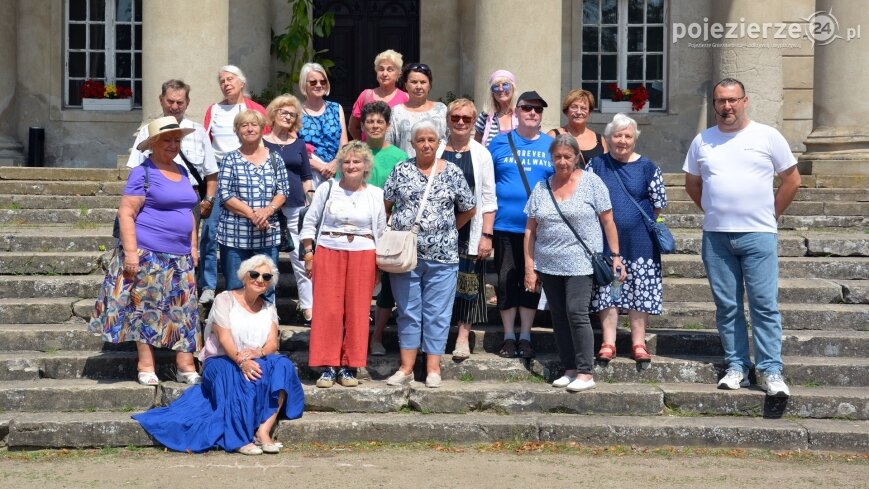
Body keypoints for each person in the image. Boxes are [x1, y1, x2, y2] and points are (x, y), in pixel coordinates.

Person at [683, 78, 800, 397]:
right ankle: (737, 366)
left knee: (763, 304)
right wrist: (712, 209)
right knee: (728, 305)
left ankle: (771, 370)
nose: (727, 107)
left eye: (732, 100)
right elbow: (692, 184)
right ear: (714, 104)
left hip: (758, 234)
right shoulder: (703, 141)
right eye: (721, 101)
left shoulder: (767, 136)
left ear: (745, 101)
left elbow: (791, 179)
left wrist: (771, 214)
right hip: (717, 238)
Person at [133, 255, 304, 455]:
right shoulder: (225, 299)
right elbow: (224, 338)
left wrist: (257, 352)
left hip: (257, 358)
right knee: (231, 375)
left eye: (266, 277)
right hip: (222, 358)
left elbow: (273, 343)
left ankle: (263, 431)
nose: (260, 280)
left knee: (282, 365)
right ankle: (238, 438)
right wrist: (242, 361)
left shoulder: (268, 307)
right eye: (255, 274)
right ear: (244, 276)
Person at [89, 116, 201, 386]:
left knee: (184, 310)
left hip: (181, 255)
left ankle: (186, 364)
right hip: (149, 251)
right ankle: (146, 364)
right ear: (152, 143)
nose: (173, 145)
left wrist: (194, 245)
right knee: (146, 309)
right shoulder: (143, 172)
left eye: (177, 140)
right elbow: (126, 213)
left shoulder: (183, 172)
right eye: (167, 140)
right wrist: (130, 253)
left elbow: (189, 211)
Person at [524, 134, 624, 392]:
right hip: (549, 264)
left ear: (577, 157)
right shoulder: (542, 187)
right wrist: (530, 267)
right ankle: (569, 368)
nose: (562, 161)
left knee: (576, 312)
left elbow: (608, 221)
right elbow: (530, 230)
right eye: (557, 156)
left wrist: (615, 256)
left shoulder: (592, 182)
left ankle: (585, 372)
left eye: (567, 156)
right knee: (558, 316)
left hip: (581, 263)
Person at [383, 120, 476, 388]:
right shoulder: (401, 169)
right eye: (420, 139)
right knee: (409, 312)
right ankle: (406, 367)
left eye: (431, 140)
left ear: (439, 143)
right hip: (405, 256)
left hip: (443, 256)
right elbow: (386, 205)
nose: (426, 144)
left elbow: (468, 208)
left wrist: (448, 230)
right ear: (412, 143)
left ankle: (433, 368)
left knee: (437, 313)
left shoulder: (453, 173)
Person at [300, 141, 387, 388]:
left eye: (357, 161)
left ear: (366, 166)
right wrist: (309, 254)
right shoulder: (327, 189)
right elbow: (309, 223)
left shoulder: (375, 194)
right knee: (328, 310)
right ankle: (328, 366)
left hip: (364, 254)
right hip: (329, 251)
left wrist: (379, 266)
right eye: (347, 161)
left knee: (358, 311)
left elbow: (380, 231)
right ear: (340, 165)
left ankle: (350, 366)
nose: (351, 166)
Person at [587, 113, 667, 364]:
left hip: (640, 241)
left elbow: (658, 204)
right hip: (605, 241)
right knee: (608, 291)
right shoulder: (597, 165)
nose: (622, 140)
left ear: (635, 139)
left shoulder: (648, 167)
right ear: (608, 138)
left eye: (627, 136)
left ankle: (638, 343)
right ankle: (608, 342)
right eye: (617, 135)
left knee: (640, 291)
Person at [487, 90, 555, 359]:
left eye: (538, 110)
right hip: (505, 225)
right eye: (527, 108)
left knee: (531, 282)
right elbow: (486, 183)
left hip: (540, 228)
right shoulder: (499, 143)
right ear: (516, 112)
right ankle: (507, 336)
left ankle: (525, 335)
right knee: (506, 280)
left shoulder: (551, 144)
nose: (533, 113)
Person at [200, 65, 269, 305]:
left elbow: (267, 141)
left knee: (248, 232)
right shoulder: (214, 110)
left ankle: (250, 285)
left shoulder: (255, 109)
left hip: (249, 177)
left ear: (242, 83)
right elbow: (207, 143)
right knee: (209, 232)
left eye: (230, 79)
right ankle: (208, 285)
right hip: (219, 177)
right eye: (222, 81)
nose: (226, 84)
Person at [437, 99, 497, 360]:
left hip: (470, 230)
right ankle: (436, 336)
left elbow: (489, 197)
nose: (460, 122)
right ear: (448, 120)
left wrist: (487, 235)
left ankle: (463, 336)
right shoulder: (436, 148)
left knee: (468, 282)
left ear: (474, 123)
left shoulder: (481, 153)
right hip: (436, 231)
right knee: (437, 284)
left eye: (467, 119)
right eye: (456, 118)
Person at [216, 110, 289, 301]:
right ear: (237, 131)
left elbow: (283, 191)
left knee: (267, 288)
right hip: (235, 236)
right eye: (244, 125)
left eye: (254, 124)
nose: (249, 129)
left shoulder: (275, 158)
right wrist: (253, 214)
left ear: (262, 128)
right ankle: (235, 330)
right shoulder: (230, 159)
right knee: (235, 287)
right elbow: (225, 194)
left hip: (267, 235)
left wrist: (267, 211)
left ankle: (266, 329)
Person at [127, 79, 218, 226]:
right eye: (170, 101)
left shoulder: (199, 132)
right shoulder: (146, 132)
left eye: (180, 102)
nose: (174, 107)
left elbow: (211, 171)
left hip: (190, 196)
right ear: (161, 100)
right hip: (155, 198)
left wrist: (208, 200)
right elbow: (135, 170)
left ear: (188, 102)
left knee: (187, 244)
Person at [360, 101, 409, 356]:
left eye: (380, 122)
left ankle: (376, 337)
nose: (375, 125)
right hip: (358, 228)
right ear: (363, 126)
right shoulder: (353, 152)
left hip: (390, 228)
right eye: (370, 121)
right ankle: (357, 337)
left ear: (387, 126)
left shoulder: (400, 157)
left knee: (388, 285)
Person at [262, 94, 314, 324]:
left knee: (301, 260)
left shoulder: (299, 143)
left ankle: (308, 306)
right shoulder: (261, 142)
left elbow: (306, 176)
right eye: (283, 112)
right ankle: (266, 307)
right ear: (273, 114)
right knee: (266, 259)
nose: (287, 116)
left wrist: (310, 200)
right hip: (267, 207)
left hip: (294, 205)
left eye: (292, 114)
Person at [298, 62, 348, 186]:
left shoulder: (336, 108)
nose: (319, 85)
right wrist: (321, 167)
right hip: (309, 174)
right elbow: (294, 148)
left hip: (336, 172)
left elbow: (344, 144)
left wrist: (334, 164)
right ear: (304, 84)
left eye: (323, 81)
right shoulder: (296, 112)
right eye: (313, 82)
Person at [386, 63, 448, 157]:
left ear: (429, 86)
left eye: (423, 82)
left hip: (438, 168)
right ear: (406, 85)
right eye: (414, 82)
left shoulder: (441, 109)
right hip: (406, 168)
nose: (419, 87)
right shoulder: (396, 111)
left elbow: (451, 140)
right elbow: (389, 144)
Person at [348, 49, 410, 141]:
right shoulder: (366, 95)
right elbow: (353, 127)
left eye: (390, 70)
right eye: (381, 69)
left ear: (398, 74)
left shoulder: (406, 98)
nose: (385, 74)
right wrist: (363, 145)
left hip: (395, 153)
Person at [547, 89, 608, 165]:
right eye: (574, 107)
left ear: (589, 112)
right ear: (566, 111)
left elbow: (605, 169)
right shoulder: (553, 136)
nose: (579, 112)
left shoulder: (599, 140)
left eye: (583, 108)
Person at [474, 69, 519, 147]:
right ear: (492, 92)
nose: (501, 89)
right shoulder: (485, 116)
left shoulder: (522, 114)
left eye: (505, 85)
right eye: (496, 86)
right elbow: (476, 147)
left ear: (513, 88)